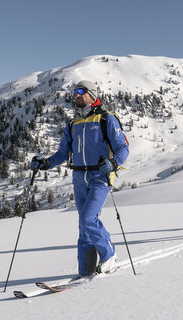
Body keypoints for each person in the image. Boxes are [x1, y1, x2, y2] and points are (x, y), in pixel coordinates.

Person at [29, 80, 129, 277]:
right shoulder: (72, 124)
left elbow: (122, 148)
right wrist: (45, 163)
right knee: (83, 225)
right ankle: (86, 270)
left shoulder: (106, 119)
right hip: (78, 176)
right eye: (75, 92)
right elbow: (62, 154)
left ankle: (109, 255)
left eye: (81, 91)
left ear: (92, 94)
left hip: (100, 175)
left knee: (88, 217)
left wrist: (113, 163)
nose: (76, 95)